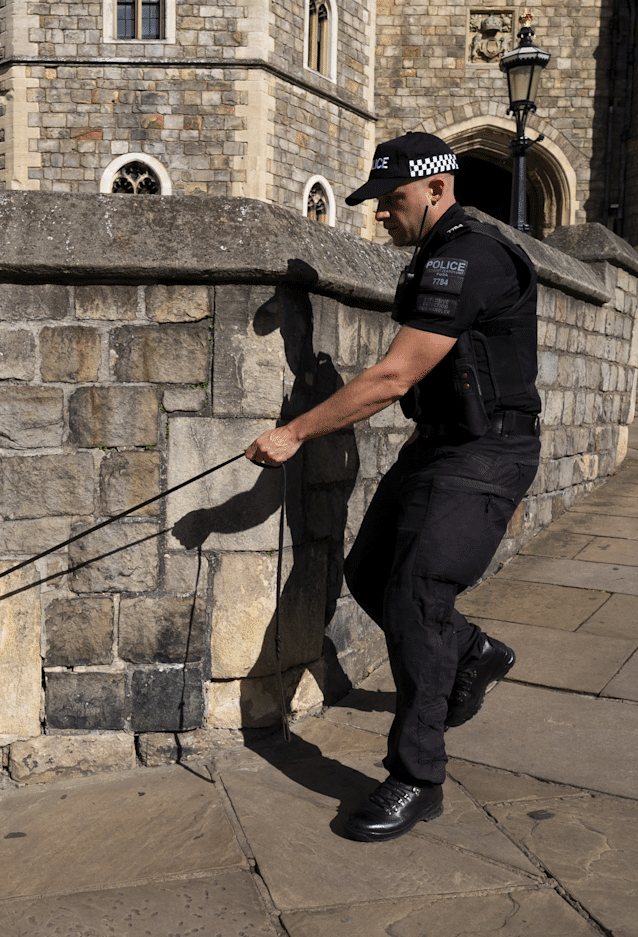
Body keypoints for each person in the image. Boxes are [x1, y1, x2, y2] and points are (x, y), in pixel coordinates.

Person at [244, 133, 539, 843]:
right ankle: (472, 653)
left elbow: (392, 377)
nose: (379, 214)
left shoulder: (468, 256)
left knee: (417, 596)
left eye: (391, 198)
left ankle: (417, 776)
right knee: (370, 570)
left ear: (437, 188)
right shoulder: (436, 255)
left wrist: (294, 434)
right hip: (437, 445)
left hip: (486, 453)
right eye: (377, 201)